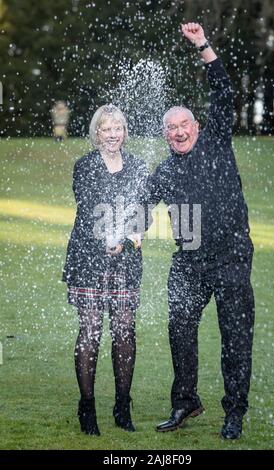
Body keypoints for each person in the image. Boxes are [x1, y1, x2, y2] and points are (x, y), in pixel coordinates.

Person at [146, 23, 255, 439]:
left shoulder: (217, 142)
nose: (178, 131)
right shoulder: (166, 170)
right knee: (180, 325)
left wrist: (204, 47)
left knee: (235, 336)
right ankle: (185, 401)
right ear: (165, 135)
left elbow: (224, 93)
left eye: (183, 124)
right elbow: (141, 208)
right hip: (189, 260)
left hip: (230, 257)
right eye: (170, 128)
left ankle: (234, 412)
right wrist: (122, 233)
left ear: (196, 126)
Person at [62, 104, 149, 436]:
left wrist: (133, 233)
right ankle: (87, 405)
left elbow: (144, 209)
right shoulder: (85, 166)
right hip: (89, 257)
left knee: (125, 330)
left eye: (118, 129)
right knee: (91, 330)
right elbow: (88, 208)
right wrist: (108, 238)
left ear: (124, 132)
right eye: (106, 129)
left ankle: (122, 404)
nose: (113, 134)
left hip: (126, 260)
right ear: (96, 133)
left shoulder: (138, 166)